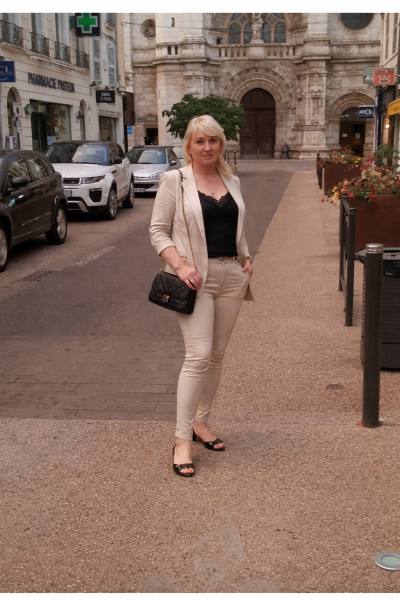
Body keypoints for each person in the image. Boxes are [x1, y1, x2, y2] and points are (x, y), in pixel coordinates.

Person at [149, 115, 253, 477]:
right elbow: (158, 231)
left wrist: (246, 257)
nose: (208, 147)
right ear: (189, 146)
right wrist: (180, 266)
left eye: (213, 141)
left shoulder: (232, 180)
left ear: (221, 144)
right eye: (200, 141)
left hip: (232, 277)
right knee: (198, 356)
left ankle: (201, 422)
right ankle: (181, 440)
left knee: (217, 355)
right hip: (196, 279)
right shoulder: (175, 181)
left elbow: (235, 225)